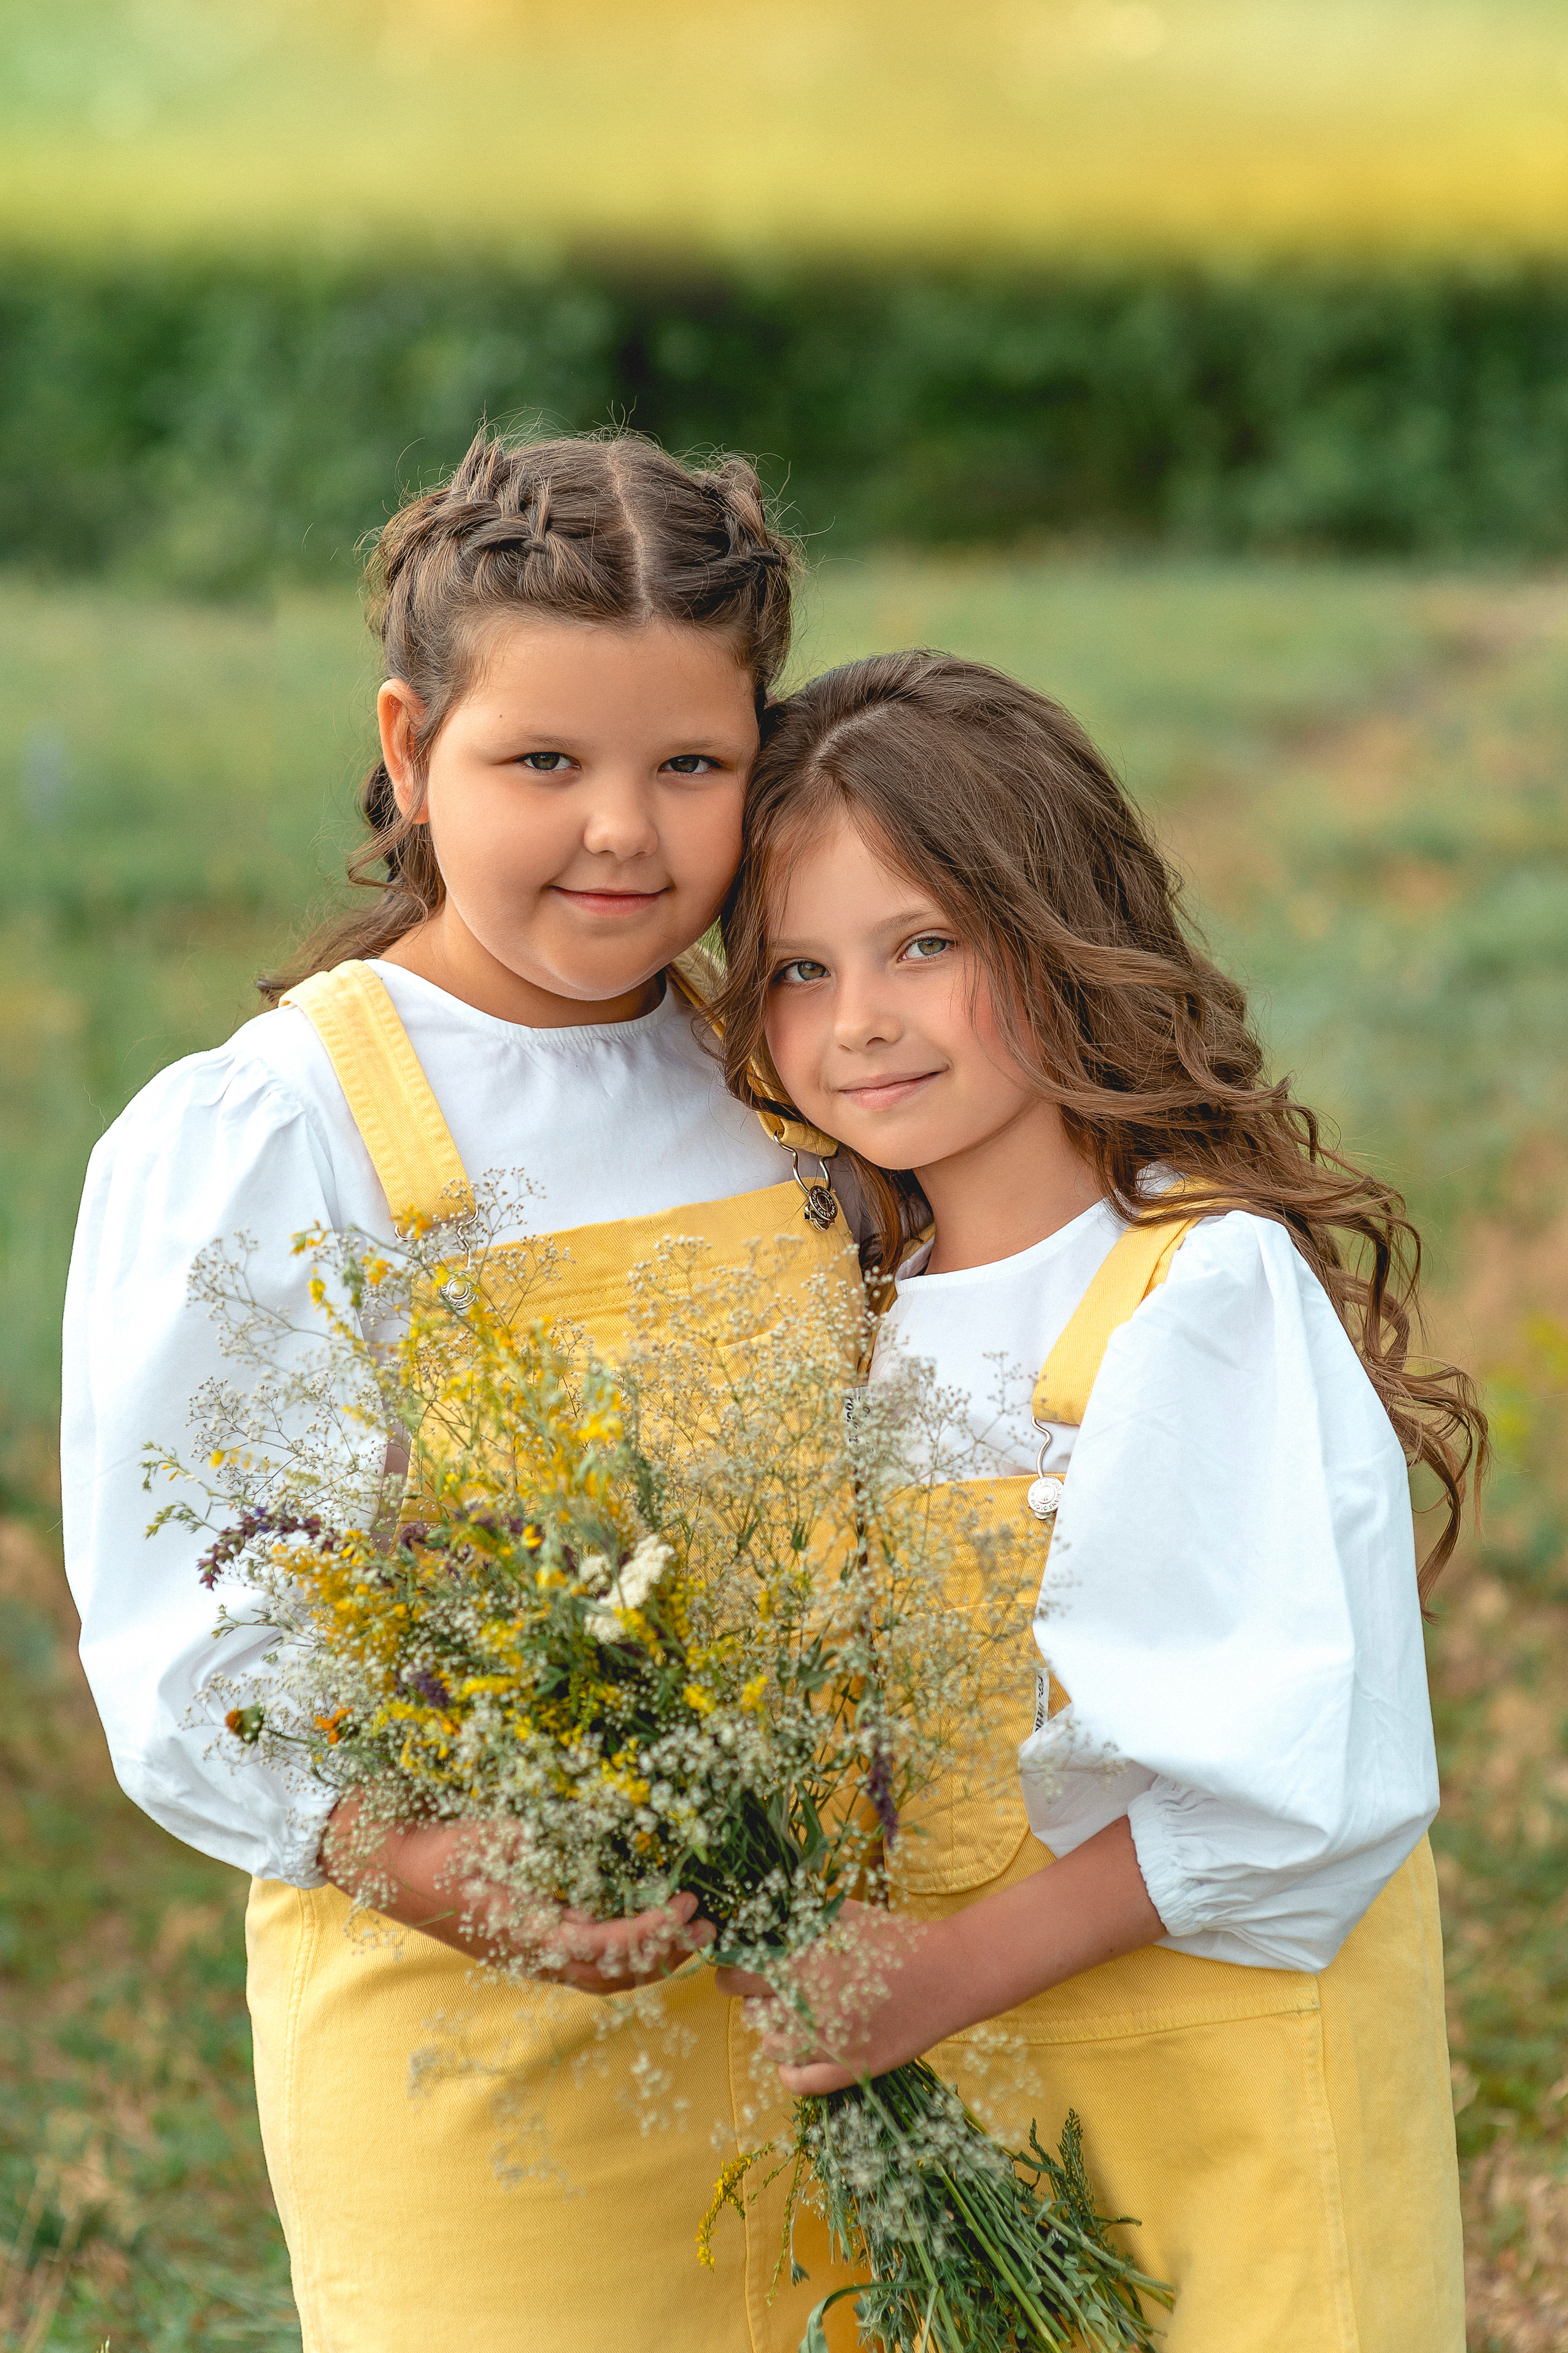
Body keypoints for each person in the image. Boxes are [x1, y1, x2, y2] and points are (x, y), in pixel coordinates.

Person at [61, 429, 863, 2353]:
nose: (624, 831)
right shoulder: (285, 1125)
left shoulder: (783, 1073)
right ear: (412, 749)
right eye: (544, 763)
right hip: (476, 2032)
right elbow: (196, 1628)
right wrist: (433, 1864)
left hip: (833, 2009)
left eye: (692, 766)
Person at [709, 649, 1483, 2352]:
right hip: (1000, 2096)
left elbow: (1290, 1790)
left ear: (1056, 928)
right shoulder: (851, 1326)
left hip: (1231, 2078)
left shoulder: (1193, 1288)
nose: (860, 1019)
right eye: (800, 969)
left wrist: (931, 1979)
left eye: (924, 944)